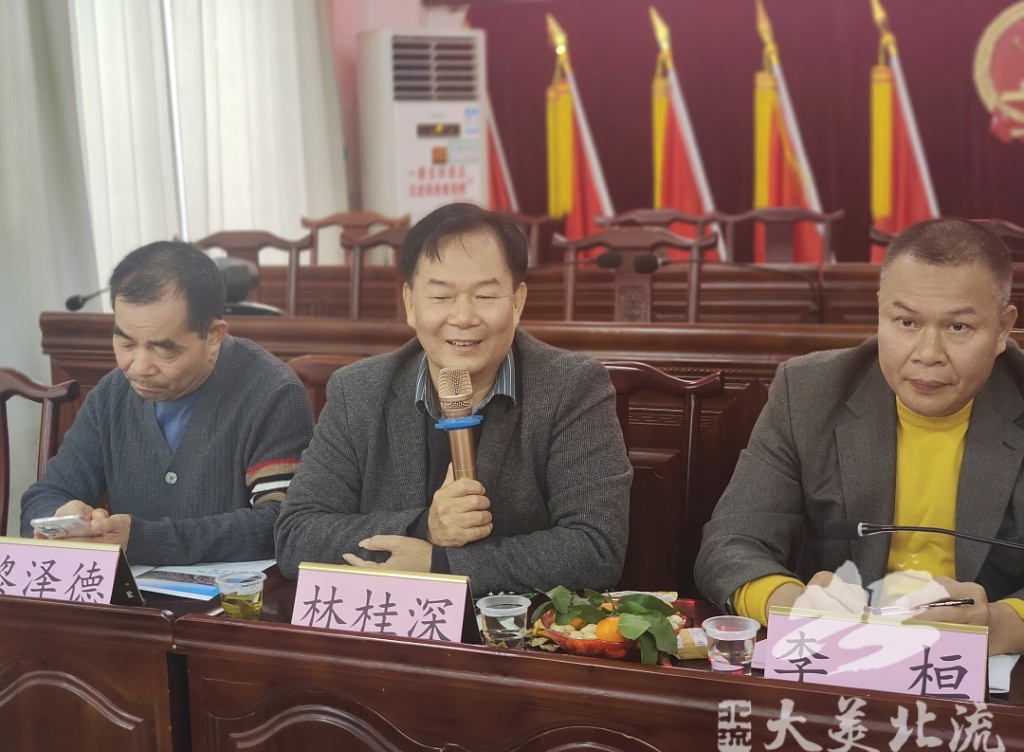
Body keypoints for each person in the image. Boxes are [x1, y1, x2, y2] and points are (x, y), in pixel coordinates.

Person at [695, 218, 1024, 655]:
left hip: (990, 672)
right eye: (906, 321)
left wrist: (1002, 625)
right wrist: (791, 605)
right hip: (841, 661)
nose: (928, 354)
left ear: (1002, 329)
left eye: (958, 327)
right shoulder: (809, 393)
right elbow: (730, 543)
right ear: (880, 312)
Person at [274, 202, 632, 595]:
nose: (463, 318)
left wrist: (439, 564)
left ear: (516, 302)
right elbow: (296, 535)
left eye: (485, 295)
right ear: (411, 304)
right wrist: (424, 526)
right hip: (393, 624)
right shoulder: (357, 391)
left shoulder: (572, 387)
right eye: (441, 296)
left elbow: (596, 549)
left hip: (510, 627)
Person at [21, 241, 314, 565]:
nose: (139, 366)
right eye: (126, 343)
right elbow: (43, 496)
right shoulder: (112, 394)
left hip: (235, 595)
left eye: (163, 349)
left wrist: (145, 540)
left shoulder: (272, 393)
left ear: (213, 336)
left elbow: (281, 523)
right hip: (131, 593)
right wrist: (61, 520)